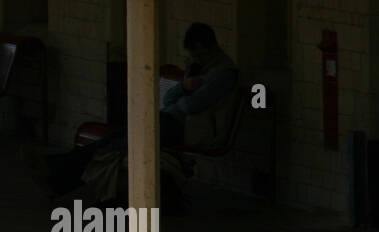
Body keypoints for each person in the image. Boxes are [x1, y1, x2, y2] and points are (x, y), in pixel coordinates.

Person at [46, 22, 239, 198]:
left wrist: (182, 98)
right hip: (172, 122)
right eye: (194, 55)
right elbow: (169, 97)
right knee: (113, 140)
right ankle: (58, 173)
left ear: (210, 47)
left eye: (199, 54)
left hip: (189, 130)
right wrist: (184, 87)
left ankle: (57, 171)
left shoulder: (222, 74)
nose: (196, 59)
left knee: (117, 144)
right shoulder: (200, 68)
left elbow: (191, 105)